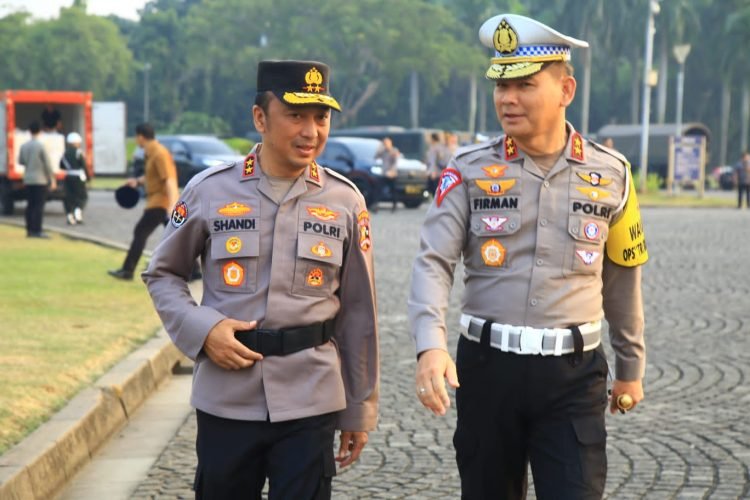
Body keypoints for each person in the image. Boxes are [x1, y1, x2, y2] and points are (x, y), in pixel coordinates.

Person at [408, 14, 649, 499]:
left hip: (573, 375)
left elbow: (623, 273)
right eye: (501, 85)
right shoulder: (468, 171)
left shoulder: (613, 173)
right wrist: (429, 345)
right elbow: (434, 261)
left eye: (523, 85)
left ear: (566, 90)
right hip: (487, 368)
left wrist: (631, 368)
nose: (507, 98)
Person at [142, 60, 379, 499]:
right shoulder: (209, 191)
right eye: (296, 116)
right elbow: (163, 273)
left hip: (312, 397)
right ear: (260, 118)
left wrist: (359, 409)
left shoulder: (346, 200)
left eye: (321, 117)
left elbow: (360, 312)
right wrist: (203, 330)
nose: (311, 131)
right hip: (227, 398)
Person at [108, 123, 178, 280]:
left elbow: (169, 180)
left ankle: (128, 270)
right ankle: (194, 270)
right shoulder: (151, 153)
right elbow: (153, 176)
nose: (135, 140)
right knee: (177, 236)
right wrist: (137, 182)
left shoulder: (159, 153)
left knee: (140, 231)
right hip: (157, 200)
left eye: (135, 137)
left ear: (140, 137)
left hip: (161, 202)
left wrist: (174, 205)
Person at [18, 121, 56, 238]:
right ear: (40, 131)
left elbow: (21, 161)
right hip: (40, 179)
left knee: (30, 205)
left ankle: (29, 229)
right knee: (38, 206)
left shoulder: (24, 146)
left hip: (28, 179)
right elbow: (48, 164)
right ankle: (37, 230)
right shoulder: (41, 146)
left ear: (29, 131)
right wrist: (52, 179)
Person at [60, 132, 88, 225]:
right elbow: (84, 165)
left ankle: (69, 215)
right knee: (82, 196)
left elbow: (61, 165)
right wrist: (88, 177)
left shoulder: (65, 153)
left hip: (68, 177)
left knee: (69, 197)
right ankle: (78, 212)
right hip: (78, 177)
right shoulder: (78, 152)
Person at [375, 136, 400, 212]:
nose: (386, 144)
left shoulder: (394, 151)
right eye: (384, 143)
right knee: (378, 189)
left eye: (387, 143)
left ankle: (394, 206)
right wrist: (381, 147)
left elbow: (395, 162)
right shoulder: (383, 151)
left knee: (393, 190)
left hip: (392, 174)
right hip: (384, 173)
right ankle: (376, 205)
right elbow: (376, 156)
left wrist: (392, 171)